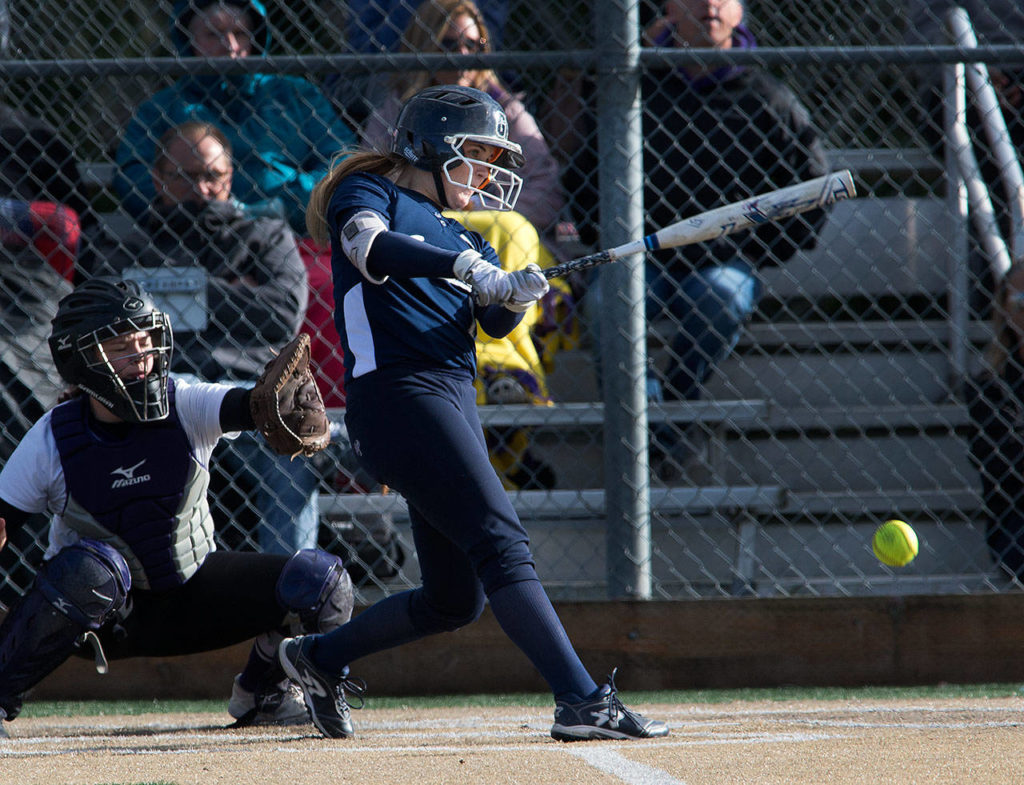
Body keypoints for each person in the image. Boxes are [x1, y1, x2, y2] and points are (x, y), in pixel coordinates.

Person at [274, 84, 668, 742]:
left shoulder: (464, 234)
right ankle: (581, 699)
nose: (485, 175)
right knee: (501, 541)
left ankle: (317, 656)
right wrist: (464, 265)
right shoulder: (371, 195)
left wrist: (516, 292)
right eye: (474, 157)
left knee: (454, 600)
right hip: (400, 397)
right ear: (427, 147)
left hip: (449, 401)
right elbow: (367, 248)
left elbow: (491, 316)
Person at [0, 277, 354, 737]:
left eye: (146, 342)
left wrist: (270, 405)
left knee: (323, 583)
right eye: (123, 347)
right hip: (107, 616)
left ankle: (263, 691)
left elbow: (245, 405)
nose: (142, 358)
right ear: (80, 358)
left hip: (194, 590)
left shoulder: (181, 400)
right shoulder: (54, 436)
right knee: (90, 570)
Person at [81, 121, 318, 555]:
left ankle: (290, 588)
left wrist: (177, 289)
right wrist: (238, 289)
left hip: (249, 387)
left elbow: (282, 313)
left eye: (213, 176)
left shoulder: (265, 234)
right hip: (159, 387)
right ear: (158, 179)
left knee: (290, 446)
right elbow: (107, 318)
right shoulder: (122, 240)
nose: (202, 188)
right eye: (186, 176)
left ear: (230, 177)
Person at [642, 0, 828, 475]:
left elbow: (813, 180)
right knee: (609, 305)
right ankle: (650, 428)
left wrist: (764, 248)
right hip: (643, 255)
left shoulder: (765, 94)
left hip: (719, 262)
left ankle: (673, 407)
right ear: (668, 12)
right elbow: (588, 169)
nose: (709, 5)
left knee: (722, 295)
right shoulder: (636, 86)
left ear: (740, 13)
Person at [113, 0, 355, 234]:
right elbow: (132, 174)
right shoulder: (163, 108)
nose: (229, 46)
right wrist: (196, 211)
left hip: (292, 236)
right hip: (191, 240)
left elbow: (341, 160)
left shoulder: (296, 95)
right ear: (190, 41)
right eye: (213, 34)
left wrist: (288, 206)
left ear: (255, 38)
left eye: (239, 34)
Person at [358, 0, 565, 246]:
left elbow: (547, 193)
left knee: (510, 229)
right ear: (424, 46)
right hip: (416, 226)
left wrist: (478, 209)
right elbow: (370, 178)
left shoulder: (504, 111)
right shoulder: (398, 109)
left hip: (499, 234)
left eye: (472, 44)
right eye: (448, 44)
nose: (462, 54)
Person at [966, 264, 1024, 581]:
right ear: (1004, 308)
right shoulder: (991, 385)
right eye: (1020, 300)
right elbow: (1002, 459)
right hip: (1017, 523)